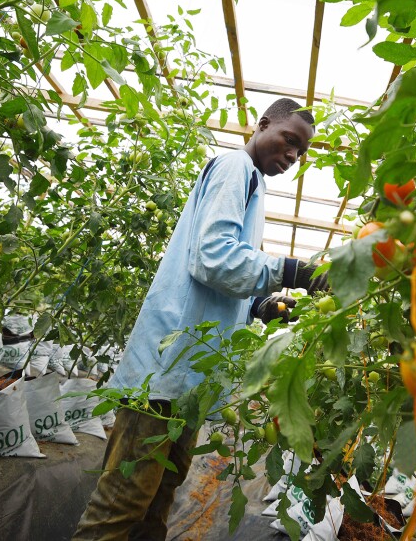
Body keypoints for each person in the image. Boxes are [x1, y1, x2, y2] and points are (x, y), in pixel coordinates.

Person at [73, 97, 328, 541]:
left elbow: (216, 277)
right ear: (263, 124)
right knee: (123, 502)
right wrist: (294, 272)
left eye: (300, 152)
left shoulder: (251, 183)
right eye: (289, 141)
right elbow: (213, 258)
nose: (292, 155)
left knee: (159, 497)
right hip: (164, 374)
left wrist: (258, 306)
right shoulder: (235, 167)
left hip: (188, 380)